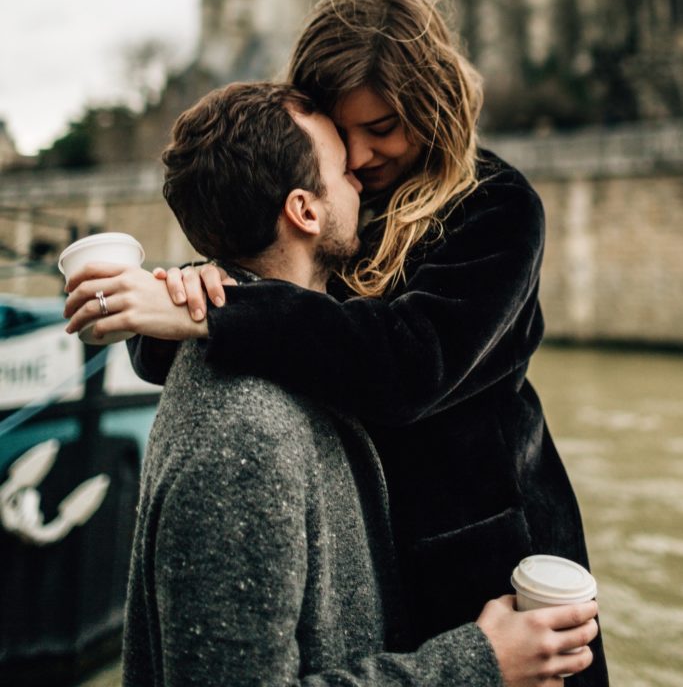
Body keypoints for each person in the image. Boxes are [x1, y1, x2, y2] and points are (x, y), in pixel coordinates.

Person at [65, 81, 598, 687]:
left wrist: (206, 302)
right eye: (345, 165)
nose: (365, 180)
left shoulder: (284, 359)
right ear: (305, 210)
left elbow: (380, 347)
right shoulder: (244, 440)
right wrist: (479, 663)